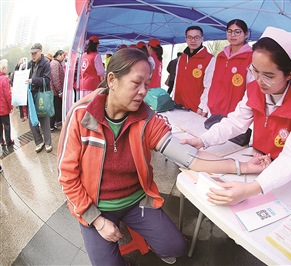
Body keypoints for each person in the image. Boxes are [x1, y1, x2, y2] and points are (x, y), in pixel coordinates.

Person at [57, 48, 269, 266]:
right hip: (95, 204)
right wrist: (97, 221)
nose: (143, 92)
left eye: (147, 84)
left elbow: (192, 159)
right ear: (112, 79)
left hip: (135, 201)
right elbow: (66, 177)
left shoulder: (147, 119)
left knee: (175, 247)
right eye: (136, 83)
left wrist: (245, 166)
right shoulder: (81, 115)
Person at [181, 26, 291, 205]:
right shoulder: (255, 89)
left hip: (289, 172)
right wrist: (203, 140)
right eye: (255, 70)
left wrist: (252, 189)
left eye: (268, 76)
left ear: (290, 75)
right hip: (258, 161)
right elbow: (236, 122)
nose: (258, 80)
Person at [206, 19, 253, 116]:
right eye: (230, 31)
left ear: (246, 34)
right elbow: (212, 82)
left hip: (234, 114)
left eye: (237, 32)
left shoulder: (251, 58)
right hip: (213, 109)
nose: (233, 35)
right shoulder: (221, 56)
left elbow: (251, 89)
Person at [172, 26, 215, 116]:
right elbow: (176, 80)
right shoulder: (182, 58)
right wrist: (172, 99)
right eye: (190, 37)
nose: (193, 40)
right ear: (186, 39)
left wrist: (202, 107)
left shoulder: (209, 59)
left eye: (196, 37)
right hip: (178, 105)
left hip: (195, 108)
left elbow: (209, 87)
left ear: (202, 39)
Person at [27, 43, 52, 153]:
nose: (33, 55)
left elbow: (46, 80)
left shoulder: (46, 63)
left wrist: (34, 80)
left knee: (44, 118)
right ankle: (38, 141)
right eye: (32, 53)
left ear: (40, 51)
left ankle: (48, 142)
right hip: (31, 95)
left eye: (35, 53)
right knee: (31, 119)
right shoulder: (30, 64)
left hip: (41, 94)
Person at [49, 50, 65, 131]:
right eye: (63, 56)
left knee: (56, 108)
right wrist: (60, 91)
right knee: (55, 108)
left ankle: (52, 125)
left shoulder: (55, 63)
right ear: (59, 55)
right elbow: (56, 78)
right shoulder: (55, 64)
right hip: (55, 92)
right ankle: (51, 126)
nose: (63, 58)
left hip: (55, 91)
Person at [0, 59, 14, 146]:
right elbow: (7, 95)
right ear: (4, 68)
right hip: (3, 106)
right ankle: (8, 140)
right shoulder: (4, 79)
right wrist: (11, 106)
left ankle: (1, 140)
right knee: (7, 124)